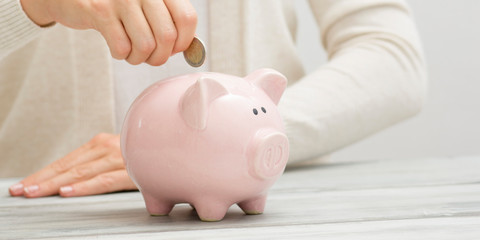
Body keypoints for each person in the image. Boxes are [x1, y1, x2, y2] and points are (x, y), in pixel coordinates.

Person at [1, 0, 427, 198]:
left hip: (264, 205)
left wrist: (249, 134)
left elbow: (392, 58)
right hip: (44, 204)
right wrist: (29, 7)